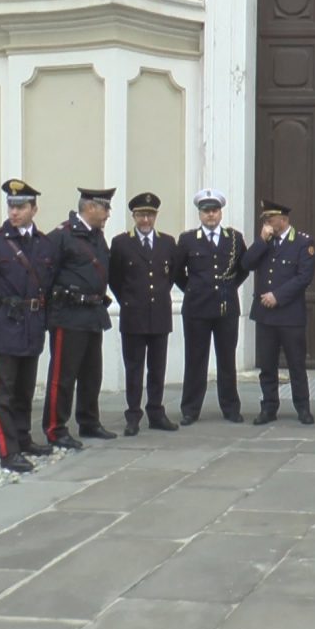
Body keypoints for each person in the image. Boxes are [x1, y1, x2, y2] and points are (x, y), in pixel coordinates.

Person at [0, 179, 60, 472]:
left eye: (21, 206)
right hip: (3, 325)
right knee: (2, 394)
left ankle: (23, 438)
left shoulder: (43, 244)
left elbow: (48, 283)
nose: (14, 212)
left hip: (32, 326)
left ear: (34, 209)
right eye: (11, 206)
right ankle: (9, 451)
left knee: (24, 390)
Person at [42, 187, 117, 449]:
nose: (108, 214)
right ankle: (55, 428)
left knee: (91, 374)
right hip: (69, 315)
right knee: (63, 376)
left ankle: (89, 421)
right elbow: (45, 276)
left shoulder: (96, 236)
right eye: (105, 208)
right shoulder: (62, 236)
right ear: (90, 208)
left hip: (93, 313)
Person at [108, 192, 179, 436]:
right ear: (134, 216)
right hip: (133, 315)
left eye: (149, 215)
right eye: (141, 215)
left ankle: (156, 412)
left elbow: (170, 276)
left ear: (156, 216)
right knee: (134, 369)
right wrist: (129, 301)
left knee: (157, 369)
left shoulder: (167, 242)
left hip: (159, 315)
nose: (145, 220)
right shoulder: (121, 243)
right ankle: (133, 415)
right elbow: (115, 279)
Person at [175, 188, 248, 425]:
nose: (211, 215)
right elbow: (177, 271)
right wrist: (193, 289)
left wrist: (230, 287)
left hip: (226, 307)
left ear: (221, 212)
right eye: (206, 211)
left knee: (227, 359)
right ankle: (190, 409)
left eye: (215, 210)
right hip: (197, 308)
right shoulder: (187, 240)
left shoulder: (234, 238)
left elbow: (243, 268)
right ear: (199, 214)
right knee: (195, 360)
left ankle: (230, 408)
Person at [240, 199, 315, 425]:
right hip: (265, 315)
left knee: (296, 365)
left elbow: (304, 277)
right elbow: (246, 264)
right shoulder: (265, 242)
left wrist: (278, 296)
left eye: (270, 219)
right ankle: (269, 407)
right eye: (265, 219)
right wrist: (261, 241)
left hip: (290, 315)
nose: (266, 223)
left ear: (283, 220)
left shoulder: (302, 242)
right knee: (267, 365)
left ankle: (303, 407)